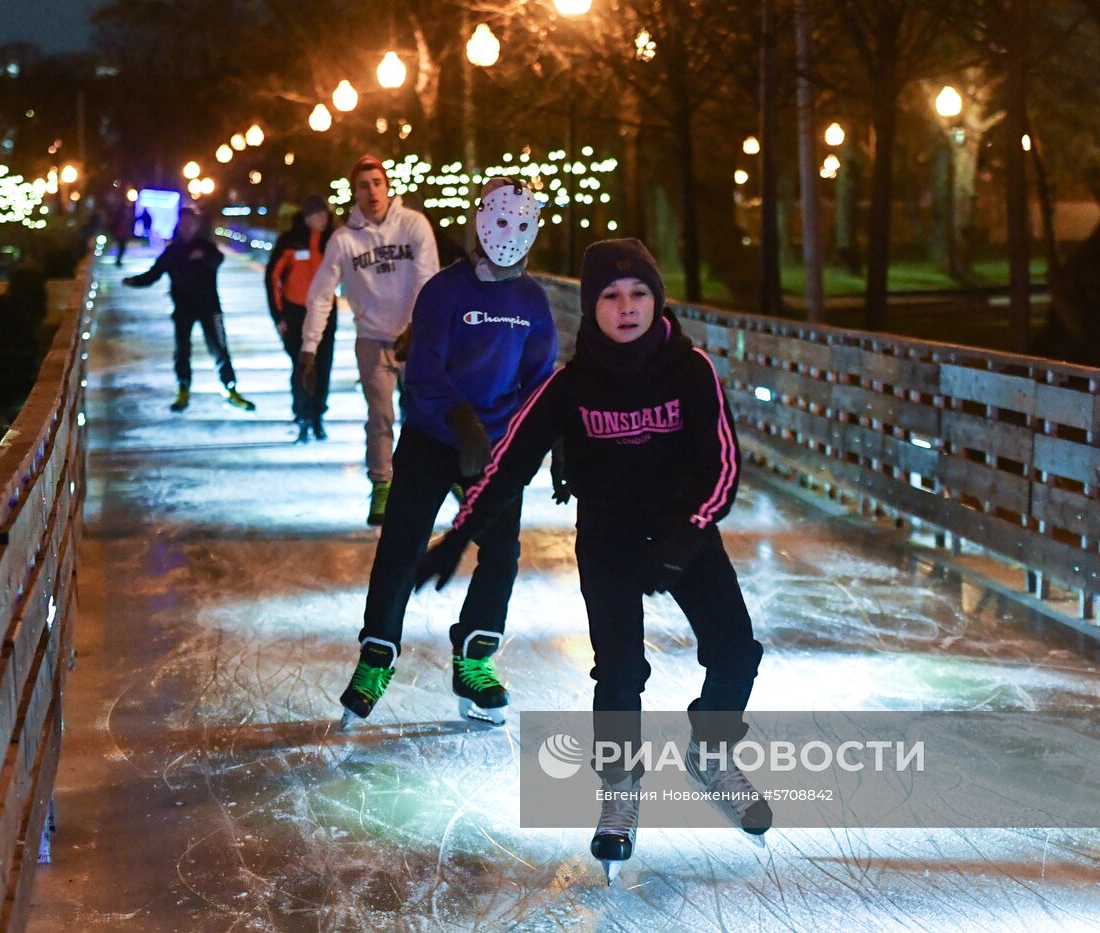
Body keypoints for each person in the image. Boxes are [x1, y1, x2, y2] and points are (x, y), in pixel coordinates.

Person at [414, 238, 771, 882]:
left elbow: (723, 467)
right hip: (606, 535)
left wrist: (684, 541)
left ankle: (712, 752)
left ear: (656, 300)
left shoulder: (691, 370)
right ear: (592, 306)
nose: (626, 306)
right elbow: (509, 465)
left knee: (736, 650)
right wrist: (460, 533)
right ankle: (619, 790)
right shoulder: (570, 386)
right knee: (620, 670)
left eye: (638, 294)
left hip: (682, 529)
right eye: (610, 295)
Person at [337, 178, 556, 729]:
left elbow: (539, 379)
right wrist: (460, 421)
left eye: (520, 228)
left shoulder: (531, 301)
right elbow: (426, 372)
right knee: (402, 545)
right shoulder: (445, 292)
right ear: (479, 226)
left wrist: (537, 438)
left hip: (497, 446)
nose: (508, 240)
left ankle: (475, 657)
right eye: (499, 225)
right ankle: (377, 655)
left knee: (501, 551)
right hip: (435, 438)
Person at [299, 155, 439, 525]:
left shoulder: (413, 225)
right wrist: (308, 348)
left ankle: (442, 475)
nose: (372, 191)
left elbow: (429, 279)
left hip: (417, 338)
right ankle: (382, 484)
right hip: (373, 339)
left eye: (377, 182)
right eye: (364, 184)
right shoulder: (344, 241)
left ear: (388, 185)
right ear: (355, 191)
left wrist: (416, 328)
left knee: (427, 411)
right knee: (381, 414)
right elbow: (320, 293)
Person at [123, 206, 255, 413]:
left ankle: (230, 388)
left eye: (190, 223)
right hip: (183, 309)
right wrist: (133, 281)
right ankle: (183, 387)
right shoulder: (173, 252)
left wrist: (203, 256)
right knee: (182, 351)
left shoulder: (206, 247)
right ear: (179, 225)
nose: (186, 227)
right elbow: (153, 274)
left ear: (196, 225)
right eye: (183, 223)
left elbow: (218, 259)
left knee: (219, 348)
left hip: (209, 308)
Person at [265, 194, 336, 442]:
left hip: (326, 312)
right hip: (296, 313)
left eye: (325, 214)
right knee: (302, 365)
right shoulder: (290, 242)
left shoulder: (333, 241)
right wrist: (278, 316)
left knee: (323, 365)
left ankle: (317, 415)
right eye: (317, 215)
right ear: (306, 218)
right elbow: (273, 278)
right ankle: (302, 413)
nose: (323, 219)